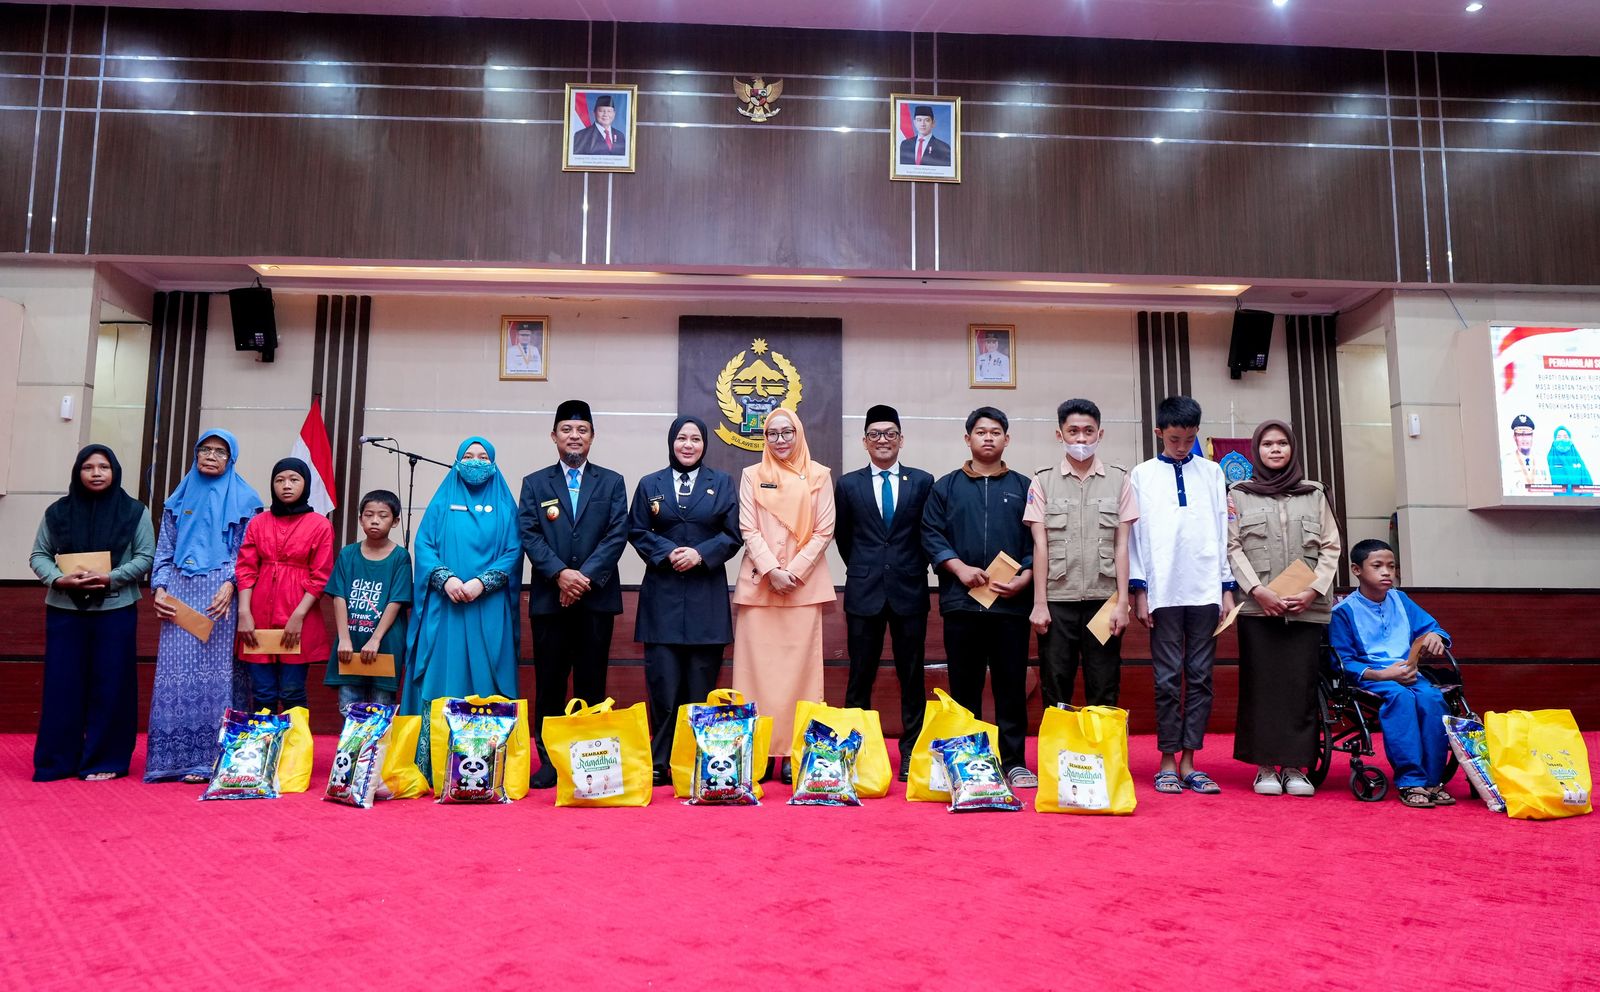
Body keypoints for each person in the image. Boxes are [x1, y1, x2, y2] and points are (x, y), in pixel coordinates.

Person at [1125, 396, 1236, 796]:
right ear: (1159, 432)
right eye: (1174, 439)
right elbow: (1134, 537)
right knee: (1168, 678)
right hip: (1163, 590)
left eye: (1189, 439)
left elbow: (1223, 530)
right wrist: (1140, 590)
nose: (1181, 446)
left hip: (1206, 589)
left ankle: (1190, 761)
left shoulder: (1212, 472)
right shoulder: (1141, 474)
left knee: (1202, 677)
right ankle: (1168, 760)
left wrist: (1226, 587)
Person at [922, 407, 1037, 789]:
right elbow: (931, 533)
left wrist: (1026, 576)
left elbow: (1037, 540)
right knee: (964, 686)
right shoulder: (946, 487)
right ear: (967, 438)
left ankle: (1014, 761)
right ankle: (968, 759)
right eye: (981, 432)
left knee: (1011, 685)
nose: (988, 437)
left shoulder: (1025, 487)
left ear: (1007, 439)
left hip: (1011, 605)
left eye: (996, 432)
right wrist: (958, 568)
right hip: (962, 603)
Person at [1226, 421, 1342, 797]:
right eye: (1267, 444)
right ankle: (1264, 766)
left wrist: (1312, 591)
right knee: (1261, 686)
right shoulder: (1239, 494)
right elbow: (1231, 546)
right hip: (1258, 609)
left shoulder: (1314, 493)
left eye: (1281, 443)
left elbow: (1331, 546)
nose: (1275, 450)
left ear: (1292, 448)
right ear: (1256, 450)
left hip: (1306, 608)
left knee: (1299, 686)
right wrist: (1257, 591)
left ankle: (1295, 766)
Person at [518, 400, 629, 789]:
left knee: (592, 684)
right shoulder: (535, 483)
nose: (574, 436)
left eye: (582, 430)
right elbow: (529, 533)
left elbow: (617, 533)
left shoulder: (612, 482)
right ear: (554, 436)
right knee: (549, 684)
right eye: (567, 429)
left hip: (595, 600)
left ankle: (590, 763)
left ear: (592, 437)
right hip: (550, 601)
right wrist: (561, 574)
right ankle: (549, 762)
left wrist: (582, 579)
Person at [627, 415, 742, 786]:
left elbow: (734, 534)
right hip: (662, 598)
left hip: (706, 598)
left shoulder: (721, 483)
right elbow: (636, 529)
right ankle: (661, 760)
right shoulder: (650, 484)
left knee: (699, 686)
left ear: (704, 444)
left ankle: (697, 756)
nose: (688, 445)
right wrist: (668, 551)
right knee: (663, 687)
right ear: (671, 442)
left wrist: (700, 554)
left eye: (695, 439)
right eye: (681, 438)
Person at [28, 444, 154, 781]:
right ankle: (58, 760)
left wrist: (111, 577)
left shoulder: (135, 512)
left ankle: (105, 759)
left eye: (103, 467)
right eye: (88, 467)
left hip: (115, 609)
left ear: (114, 472)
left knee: (111, 684)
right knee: (63, 684)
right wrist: (59, 579)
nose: (96, 473)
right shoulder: (57, 512)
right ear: (77, 472)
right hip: (65, 610)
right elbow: (39, 554)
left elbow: (145, 556)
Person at [145, 430, 262, 783]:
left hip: (220, 596)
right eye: (205, 449)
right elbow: (164, 549)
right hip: (178, 594)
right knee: (176, 675)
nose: (211, 456)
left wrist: (230, 585)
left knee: (218, 675)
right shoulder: (177, 499)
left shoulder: (246, 500)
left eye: (220, 452)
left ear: (231, 459)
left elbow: (247, 553)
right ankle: (173, 759)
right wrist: (159, 588)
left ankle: (215, 759)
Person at [401, 437, 522, 762]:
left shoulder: (505, 504)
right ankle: (433, 763)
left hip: (489, 607)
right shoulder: (442, 501)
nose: (475, 462)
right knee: (442, 677)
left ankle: (489, 765)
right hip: (447, 608)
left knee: (488, 677)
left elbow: (514, 550)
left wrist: (483, 582)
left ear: (493, 463)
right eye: (468, 456)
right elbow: (424, 545)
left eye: (483, 457)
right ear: (456, 462)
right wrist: (446, 579)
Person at [732, 409, 836, 784]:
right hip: (761, 586)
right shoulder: (751, 475)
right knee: (753, 676)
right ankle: (755, 753)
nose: (780, 440)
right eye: (772, 434)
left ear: (798, 433)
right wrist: (771, 570)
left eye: (786, 432)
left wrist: (793, 571)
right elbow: (748, 528)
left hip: (801, 588)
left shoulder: (819, 475)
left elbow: (824, 531)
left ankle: (796, 751)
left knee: (803, 678)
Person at [835, 404, 934, 781]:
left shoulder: (922, 481)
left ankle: (911, 751)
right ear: (864, 441)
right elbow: (844, 538)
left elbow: (927, 533)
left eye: (890, 434)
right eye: (875, 434)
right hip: (864, 590)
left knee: (912, 676)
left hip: (910, 589)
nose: (883, 440)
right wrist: (866, 567)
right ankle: (854, 753)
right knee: (860, 675)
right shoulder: (849, 484)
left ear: (901, 439)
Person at [1329, 539, 1455, 809]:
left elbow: (1433, 627)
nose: (1387, 572)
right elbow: (1342, 661)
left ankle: (1433, 780)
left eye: (1391, 566)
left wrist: (1435, 635)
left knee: (1433, 700)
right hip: (1373, 677)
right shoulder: (1343, 612)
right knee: (1401, 699)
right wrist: (1382, 675)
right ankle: (1410, 780)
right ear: (1356, 570)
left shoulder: (1401, 600)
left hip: (1408, 671)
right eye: (1377, 566)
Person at [1026, 399, 1131, 710]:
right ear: (1060, 435)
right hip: (1058, 601)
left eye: (1088, 431)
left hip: (1104, 602)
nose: (1081, 439)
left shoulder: (1119, 480)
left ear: (1100, 434)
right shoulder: (1043, 481)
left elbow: (1122, 545)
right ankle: (1060, 744)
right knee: (1056, 684)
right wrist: (1040, 604)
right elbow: (1040, 545)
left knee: (1105, 684)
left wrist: (1122, 603)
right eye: (1073, 431)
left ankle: (1104, 744)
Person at [236, 457, 335, 714]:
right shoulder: (258, 522)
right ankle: (264, 741)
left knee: (292, 691)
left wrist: (298, 616)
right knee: (262, 692)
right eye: (279, 480)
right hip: (258, 617)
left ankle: (294, 742)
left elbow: (321, 576)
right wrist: (244, 612)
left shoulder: (320, 525)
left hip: (300, 616)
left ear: (306, 484)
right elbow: (246, 569)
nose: (286, 485)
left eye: (294, 479)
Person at [324, 490, 412, 714]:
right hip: (350, 643)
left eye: (383, 515)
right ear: (360, 518)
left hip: (385, 645)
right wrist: (344, 638)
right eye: (369, 514)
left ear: (395, 521)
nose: (375, 520)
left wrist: (375, 640)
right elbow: (339, 596)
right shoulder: (348, 554)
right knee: (349, 708)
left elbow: (396, 601)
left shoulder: (400, 557)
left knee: (381, 710)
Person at [1547, 425, 1593, 495]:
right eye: (1559, 437)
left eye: (1565, 437)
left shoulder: (1577, 461)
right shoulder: (1548, 461)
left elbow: (1588, 486)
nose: (1562, 439)